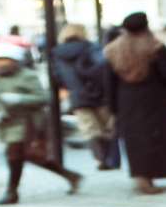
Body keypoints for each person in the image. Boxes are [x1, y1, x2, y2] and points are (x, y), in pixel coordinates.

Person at [0, 42, 82, 205]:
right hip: (7, 122)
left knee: (14, 156)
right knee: (28, 156)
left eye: (4, 60)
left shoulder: (27, 76)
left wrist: (19, 99)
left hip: (26, 122)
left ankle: (11, 192)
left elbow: (42, 98)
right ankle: (70, 175)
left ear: (14, 61)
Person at [104, 11, 166, 195]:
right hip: (155, 98)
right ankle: (152, 174)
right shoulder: (155, 47)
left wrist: (113, 107)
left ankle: (141, 175)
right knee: (156, 137)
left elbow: (109, 82)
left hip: (126, 99)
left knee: (135, 139)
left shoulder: (113, 50)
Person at [51, 24, 119, 171]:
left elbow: (57, 77)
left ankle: (101, 158)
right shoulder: (92, 48)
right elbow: (103, 67)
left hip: (77, 96)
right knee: (107, 127)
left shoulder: (57, 54)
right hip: (99, 94)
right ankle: (109, 158)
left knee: (90, 129)